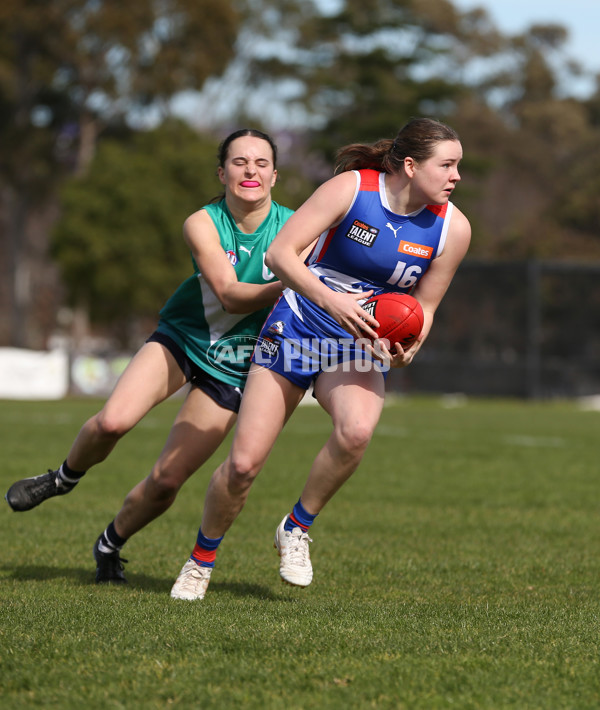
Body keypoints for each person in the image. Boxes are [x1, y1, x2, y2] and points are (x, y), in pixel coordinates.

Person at [170, 117, 472, 601]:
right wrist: (332, 301)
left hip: (357, 342)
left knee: (356, 432)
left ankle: (295, 528)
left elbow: (427, 307)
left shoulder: (453, 228)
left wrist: (409, 346)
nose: (457, 176)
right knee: (244, 465)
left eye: (459, 166)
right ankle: (201, 560)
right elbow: (281, 255)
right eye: (448, 165)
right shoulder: (351, 190)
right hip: (299, 323)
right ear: (411, 166)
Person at [5, 128, 294, 585]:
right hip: (184, 337)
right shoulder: (202, 221)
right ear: (222, 172)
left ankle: (109, 544)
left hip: (236, 364)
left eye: (261, 163)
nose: (250, 171)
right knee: (112, 422)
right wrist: (294, 282)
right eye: (239, 162)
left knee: (165, 482)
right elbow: (230, 295)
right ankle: (62, 477)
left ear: (275, 175)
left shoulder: (297, 227)